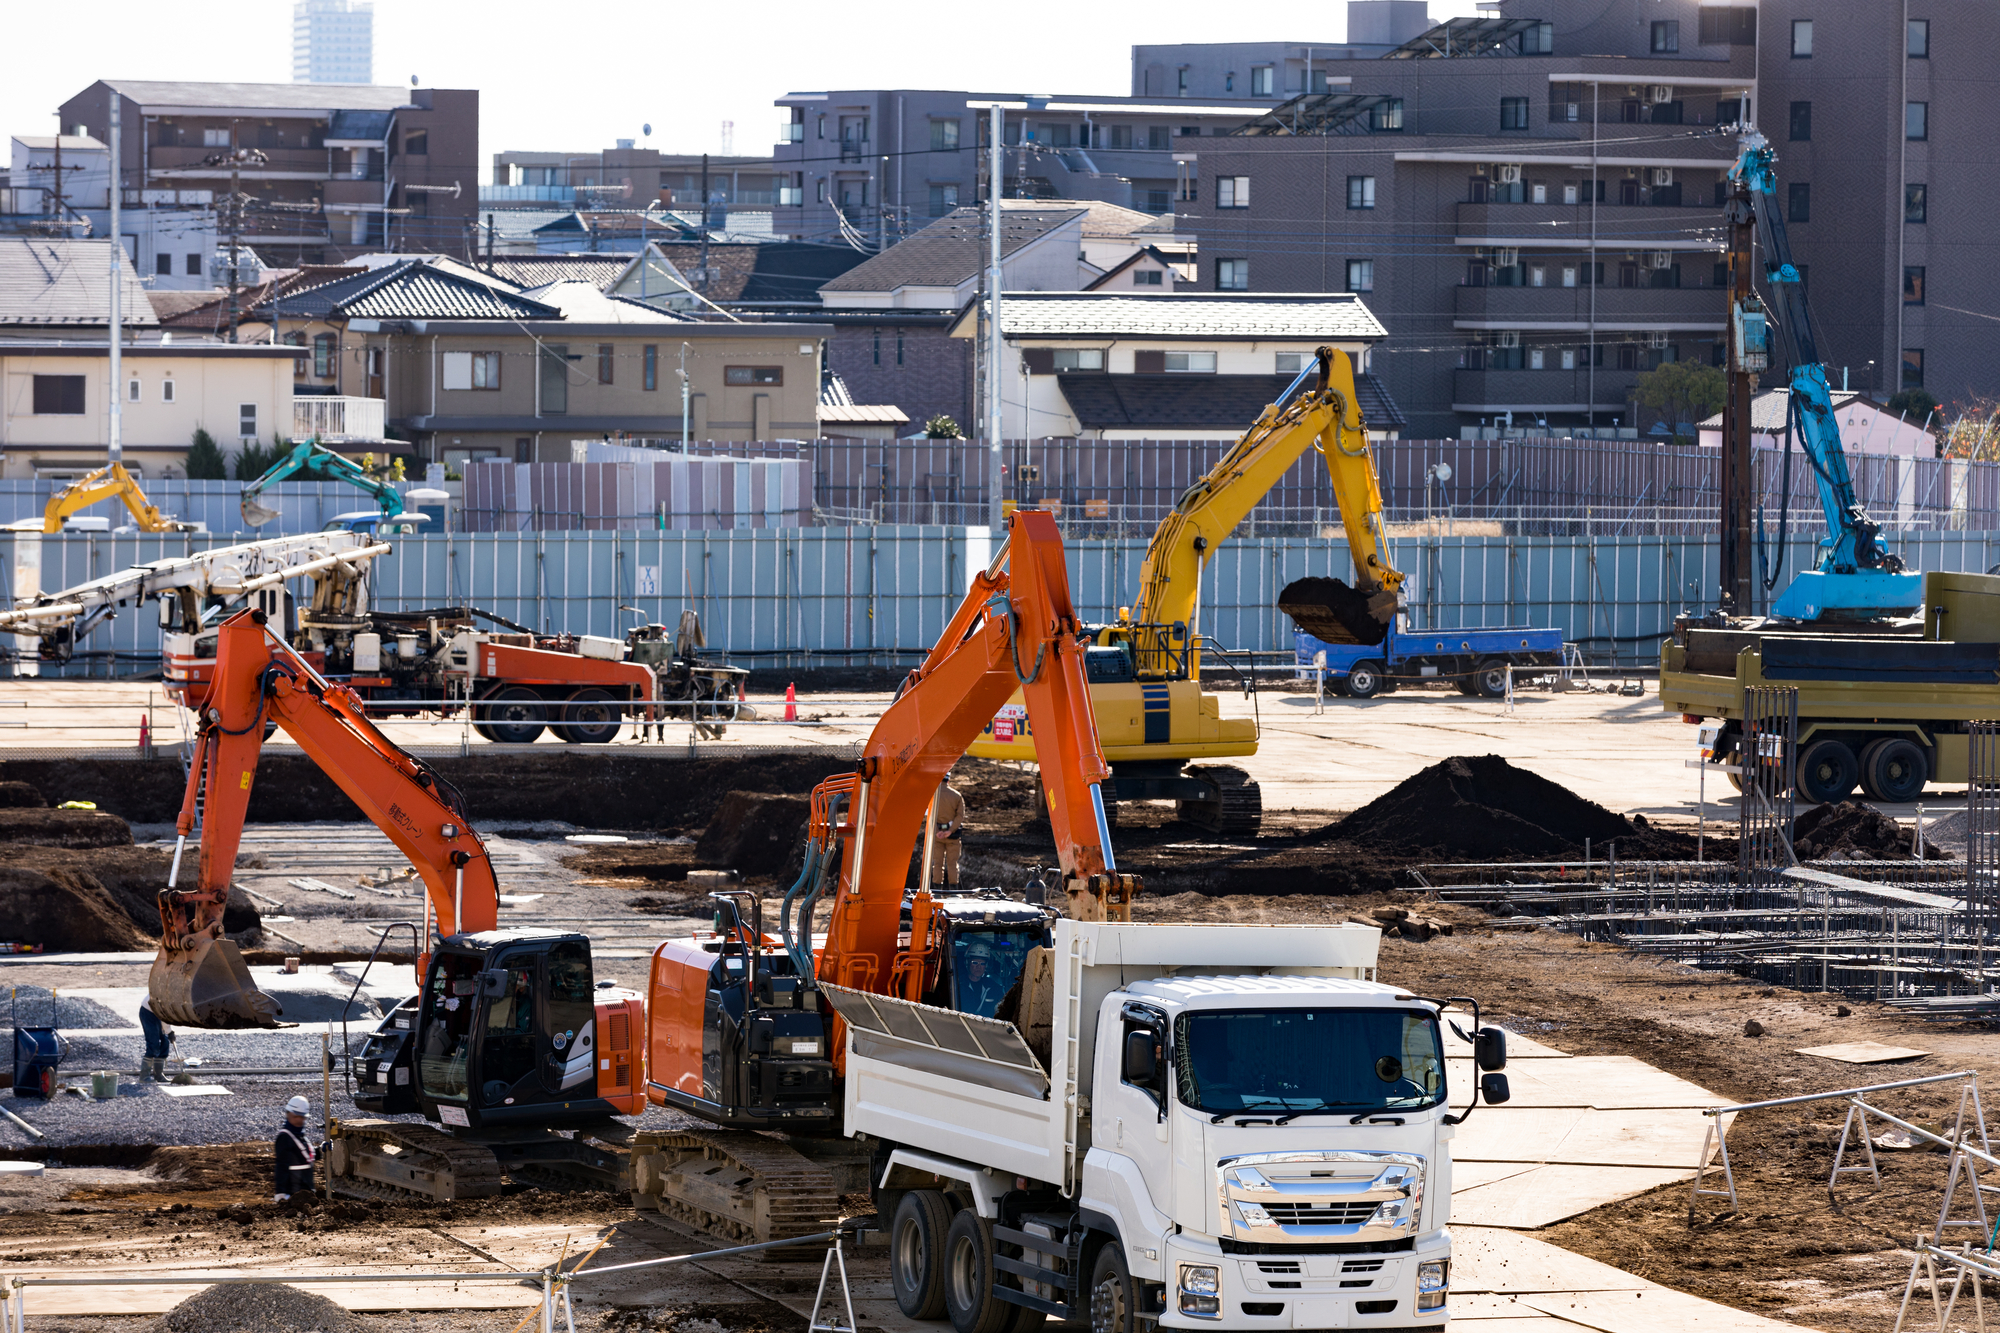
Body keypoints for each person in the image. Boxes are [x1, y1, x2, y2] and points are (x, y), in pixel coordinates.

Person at [274, 1095, 318, 1202]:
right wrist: (280, 1193)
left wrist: (321, 1151)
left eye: (302, 1117)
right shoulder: (285, 1137)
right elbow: (281, 1166)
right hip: (293, 1197)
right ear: (288, 1114)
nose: (299, 1120)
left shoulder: (300, 1136)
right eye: (296, 1116)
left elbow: (303, 1157)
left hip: (306, 1196)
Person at [930, 778, 965, 887]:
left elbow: (930, 815)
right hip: (953, 836)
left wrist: (937, 831)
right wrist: (950, 830)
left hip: (937, 837)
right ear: (948, 781)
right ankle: (953, 891)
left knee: (937, 864)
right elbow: (960, 816)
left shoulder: (932, 795)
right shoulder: (957, 795)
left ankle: (936, 890)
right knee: (952, 863)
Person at [137, 993, 173, 1082]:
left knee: (165, 1042)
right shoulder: (167, 996)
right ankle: (144, 1076)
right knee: (153, 1043)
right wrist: (169, 1032)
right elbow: (165, 1016)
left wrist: (168, 1032)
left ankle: (159, 1075)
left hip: (157, 1011)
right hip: (148, 1011)